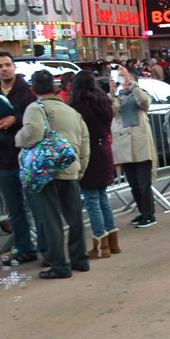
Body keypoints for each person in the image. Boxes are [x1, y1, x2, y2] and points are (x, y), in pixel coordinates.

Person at [16, 70, 91, 280]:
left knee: (51, 220)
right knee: (75, 217)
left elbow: (32, 134)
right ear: (56, 88)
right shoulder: (72, 112)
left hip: (47, 172)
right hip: (71, 169)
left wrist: (17, 139)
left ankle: (59, 265)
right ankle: (80, 259)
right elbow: (85, 143)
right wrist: (80, 168)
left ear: (32, 89)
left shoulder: (35, 108)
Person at [0, 50, 42, 264]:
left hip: (26, 158)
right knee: (14, 210)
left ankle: (46, 247)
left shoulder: (27, 92)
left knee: (36, 206)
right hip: (1, 159)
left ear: (14, 67)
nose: (5, 68)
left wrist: (15, 119)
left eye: (8, 64)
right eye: (0, 66)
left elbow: (39, 117)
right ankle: (25, 249)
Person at [69, 71, 119, 259]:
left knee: (92, 200)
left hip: (88, 153)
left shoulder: (79, 107)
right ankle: (112, 242)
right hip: (104, 150)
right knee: (102, 198)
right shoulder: (104, 102)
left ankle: (101, 244)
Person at [111, 66, 158, 229]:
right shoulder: (118, 97)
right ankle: (142, 212)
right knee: (133, 182)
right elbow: (111, 111)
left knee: (144, 182)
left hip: (140, 144)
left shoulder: (140, 92)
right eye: (122, 79)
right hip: (124, 146)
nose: (124, 83)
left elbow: (144, 103)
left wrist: (132, 85)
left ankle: (149, 214)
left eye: (127, 78)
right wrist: (110, 92)